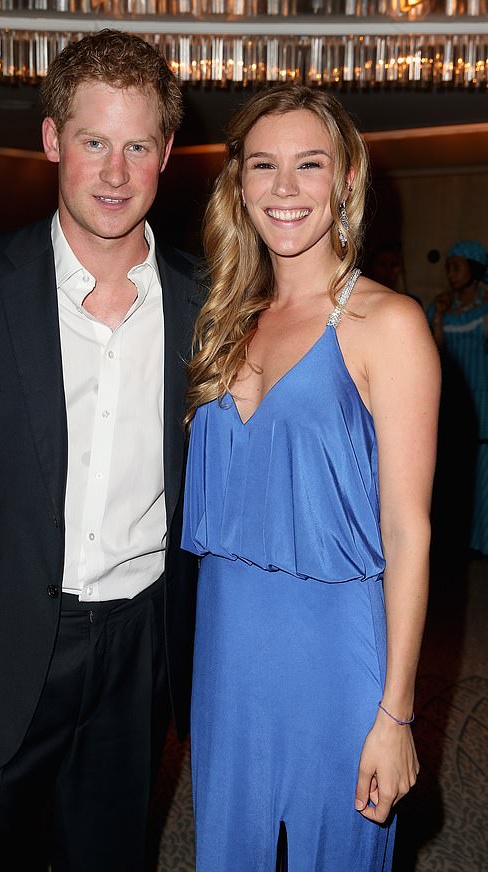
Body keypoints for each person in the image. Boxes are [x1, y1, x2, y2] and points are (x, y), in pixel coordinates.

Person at [0, 29, 201, 872]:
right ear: (53, 139)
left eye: (137, 146)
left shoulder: (206, 301)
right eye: (94, 142)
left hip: (139, 645)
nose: (115, 174)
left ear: (167, 152)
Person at [181, 84, 440, 871]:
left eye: (309, 165)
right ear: (239, 185)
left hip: (335, 656)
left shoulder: (386, 323)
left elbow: (408, 531)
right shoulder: (223, 319)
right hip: (226, 653)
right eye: (264, 166)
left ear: (346, 181)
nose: (284, 189)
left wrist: (395, 715)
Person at [428, 240, 488, 556]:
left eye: (457, 267)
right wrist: (437, 317)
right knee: (453, 468)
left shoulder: (485, 306)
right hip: (451, 400)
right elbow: (435, 352)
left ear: (474, 270)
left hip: (482, 396)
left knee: (483, 470)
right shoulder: (441, 306)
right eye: (448, 267)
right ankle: (457, 541)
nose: (450, 274)